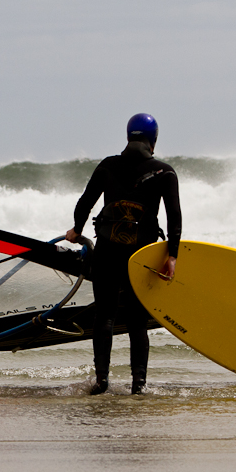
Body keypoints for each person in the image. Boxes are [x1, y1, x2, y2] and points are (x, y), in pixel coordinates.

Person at [66, 113, 181, 395]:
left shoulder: (108, 166)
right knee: (137, 321)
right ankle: (138, 384)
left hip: (107, 251)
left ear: (128, 136)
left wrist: (76, 229)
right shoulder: (165, 173)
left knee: (104, 316)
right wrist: (172, 256)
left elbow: (85, 203)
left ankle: (102, 380)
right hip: (141, 255)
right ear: (153, 141)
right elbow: (174, 218)